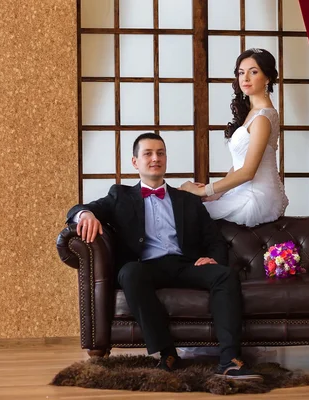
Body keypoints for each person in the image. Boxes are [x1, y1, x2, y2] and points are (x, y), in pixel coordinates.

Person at [66, 133, 262, 381]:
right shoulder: (120, 196)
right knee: (128, 272)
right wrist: (85, 215)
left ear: (166, 159)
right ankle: (167, 354)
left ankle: (230, 360)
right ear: (135, 162)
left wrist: (212, 259)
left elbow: (214, 239)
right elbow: (78, 209)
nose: (155, 158)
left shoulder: (188, 199)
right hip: (146, 267)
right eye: (147, 153)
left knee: (224, 275)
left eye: (160, 153)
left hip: (185, 265)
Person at [180, 48, 288, 227]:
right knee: (183, 200)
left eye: (253, 72)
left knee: (188, 211)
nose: (245, 78)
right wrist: (215, 194)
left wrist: (204, 190)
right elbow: (239, 163)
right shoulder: (254, 113)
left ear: (267, 78)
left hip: (256, 196)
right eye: (241, 72)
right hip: (244, 190)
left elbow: (248, 171)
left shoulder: (262, 117)